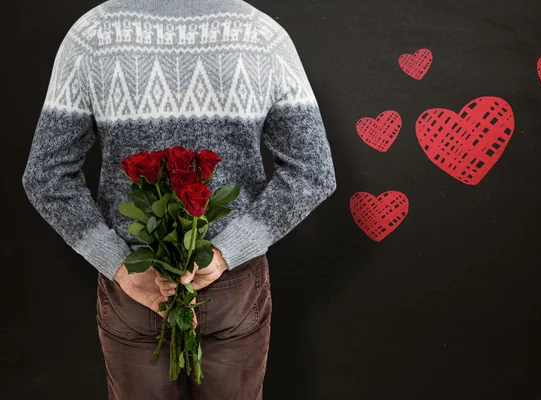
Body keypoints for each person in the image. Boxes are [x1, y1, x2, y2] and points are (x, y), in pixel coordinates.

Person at [21, 0, 337, 398]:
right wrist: (226, 253)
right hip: (231, 285)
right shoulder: (262, 35)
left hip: (135, 286)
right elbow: (314, 171)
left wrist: (117, 265)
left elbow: (44, 175)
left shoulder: (92, 35)